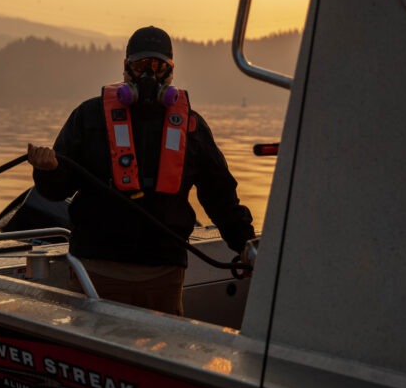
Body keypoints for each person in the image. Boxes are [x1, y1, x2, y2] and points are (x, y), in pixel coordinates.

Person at [28, 25, 255, 315]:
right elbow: (55, 191)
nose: (149, 75)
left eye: (158, 66)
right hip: (95, 270)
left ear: (171, 72)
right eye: (141, 65)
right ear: (126, 69)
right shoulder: (89, 117)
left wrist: (247, 246)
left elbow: (221, 198)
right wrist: (47, 169)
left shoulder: (191, 126)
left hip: (163, 275)